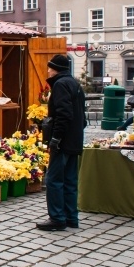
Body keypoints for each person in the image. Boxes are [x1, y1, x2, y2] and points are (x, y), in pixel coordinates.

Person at [36, 54, 86, 231]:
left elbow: (64, 114)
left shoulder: (60, 84)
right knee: (70, 180)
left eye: (50, 67)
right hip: (74, 139)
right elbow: (82, 115)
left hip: (63, 141)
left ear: (56, 68)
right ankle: (71, 217)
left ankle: (57, 217)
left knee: (54, 180)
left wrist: (56, 138)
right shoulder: (74, 83)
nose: (48, 70)